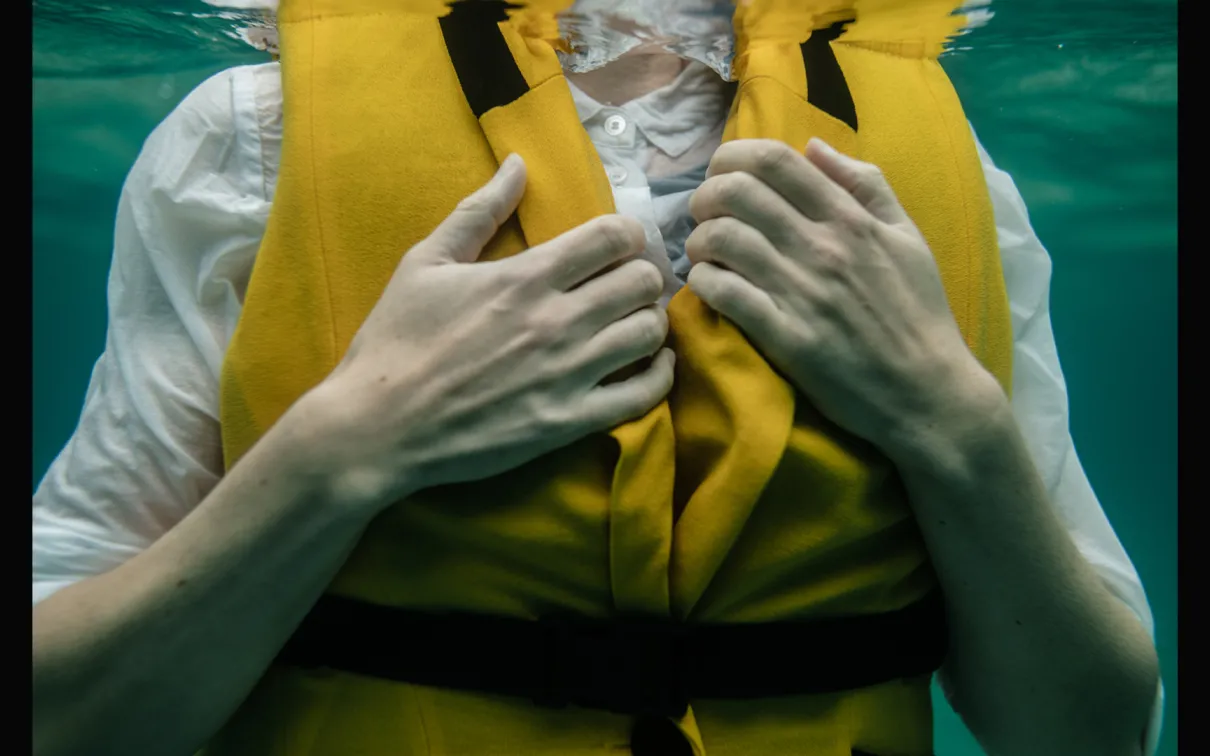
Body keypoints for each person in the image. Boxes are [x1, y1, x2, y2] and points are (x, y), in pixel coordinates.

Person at [32, 1, 1163, 755]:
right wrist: (344, 453)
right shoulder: (247, 139)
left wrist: (948, 422)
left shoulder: (950, 174)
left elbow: (1097, 733)